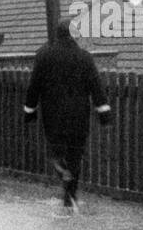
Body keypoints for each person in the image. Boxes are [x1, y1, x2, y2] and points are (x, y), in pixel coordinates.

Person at [23, 18, 113, 210]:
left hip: (53, 116)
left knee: (57, 151)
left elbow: (34, 87)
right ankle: (70, 196)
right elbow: (96, 88)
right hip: (79, 116)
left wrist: (29, 111)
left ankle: (62, 170)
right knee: (75, 154)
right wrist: (104, 112)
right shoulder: (85, 57)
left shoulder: (44, 56)